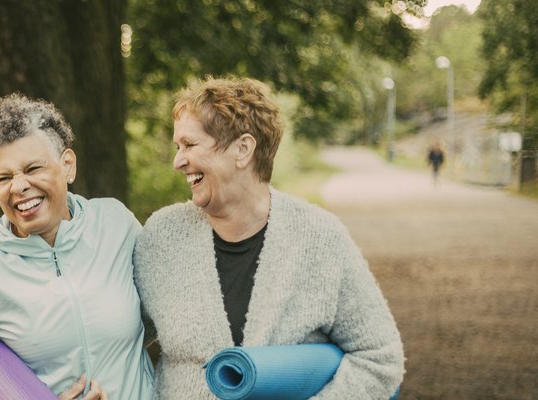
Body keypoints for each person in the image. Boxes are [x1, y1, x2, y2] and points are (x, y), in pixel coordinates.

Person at [133, 77, 404, 398]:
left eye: (190, 145)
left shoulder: (320, 238)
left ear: (243, 149)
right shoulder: (161, 237)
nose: (178, 161)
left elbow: (380, 357)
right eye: (178, 147)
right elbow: (119, 336)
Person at [0, 94, 155, 400]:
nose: (17, 187)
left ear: (67, 165)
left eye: (32, 169)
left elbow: (164, 320)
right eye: (3, 178)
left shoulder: (116, 224)